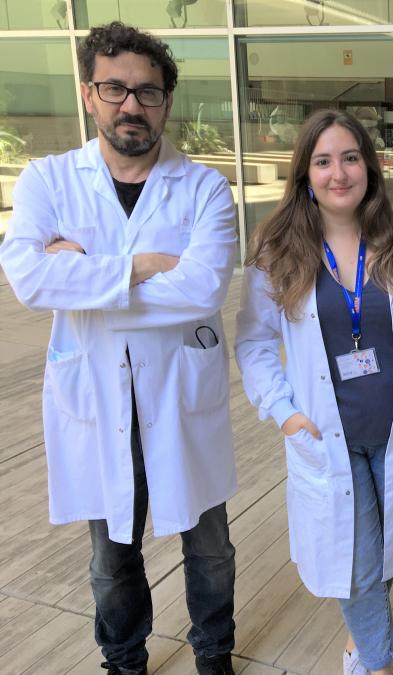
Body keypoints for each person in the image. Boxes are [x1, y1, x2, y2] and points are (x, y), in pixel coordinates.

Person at [0, 22, 238, 675]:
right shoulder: (49, 179)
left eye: (147, 92)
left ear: (166, 102)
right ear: (89, 94)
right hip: (96, 395)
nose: (131, 104)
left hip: (181, 393)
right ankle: (124, 659)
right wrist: (142, 266)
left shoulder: (204, 187)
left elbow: (204, 287)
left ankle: (214, 651)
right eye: (115, 89)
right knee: (111, 553)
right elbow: (30, 280)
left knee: (209, 545)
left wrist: (84, 275)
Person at [234, 109, 393, 675]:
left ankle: (357, 643)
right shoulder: (278, 250)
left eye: (350, 158)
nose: (338, 173)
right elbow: (254, 342)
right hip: (327, 435)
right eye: (323, 161)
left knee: (385, 547)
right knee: (357, 558)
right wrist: (283, 412)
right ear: (306, 174)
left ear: (369, 167)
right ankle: (374, 662)